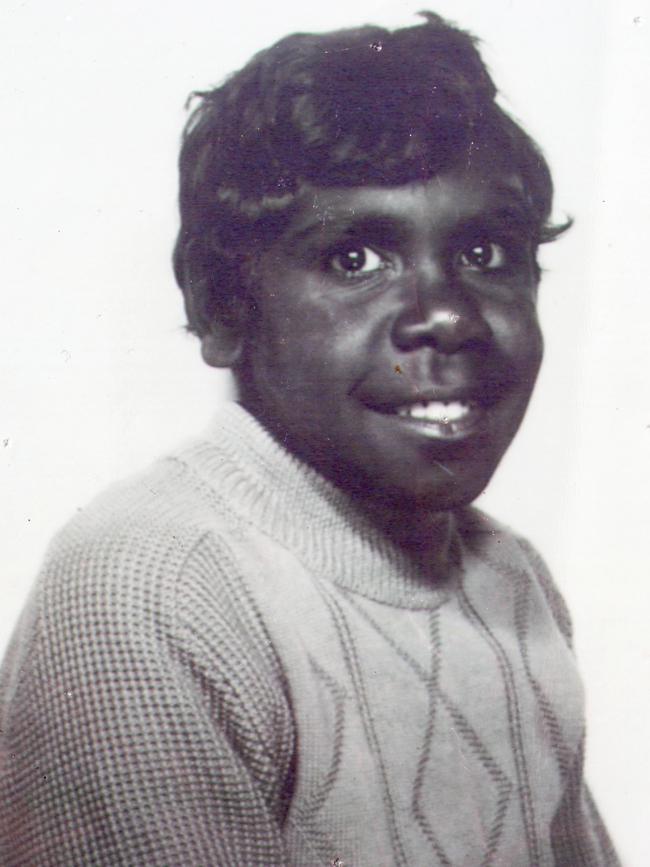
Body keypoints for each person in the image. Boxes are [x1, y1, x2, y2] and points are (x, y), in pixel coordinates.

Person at [0, 11, 620, 866]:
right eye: (356, 258)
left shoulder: (510, 580)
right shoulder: (153, 591)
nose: (447, 314)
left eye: (485, 251)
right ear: (221, 307)